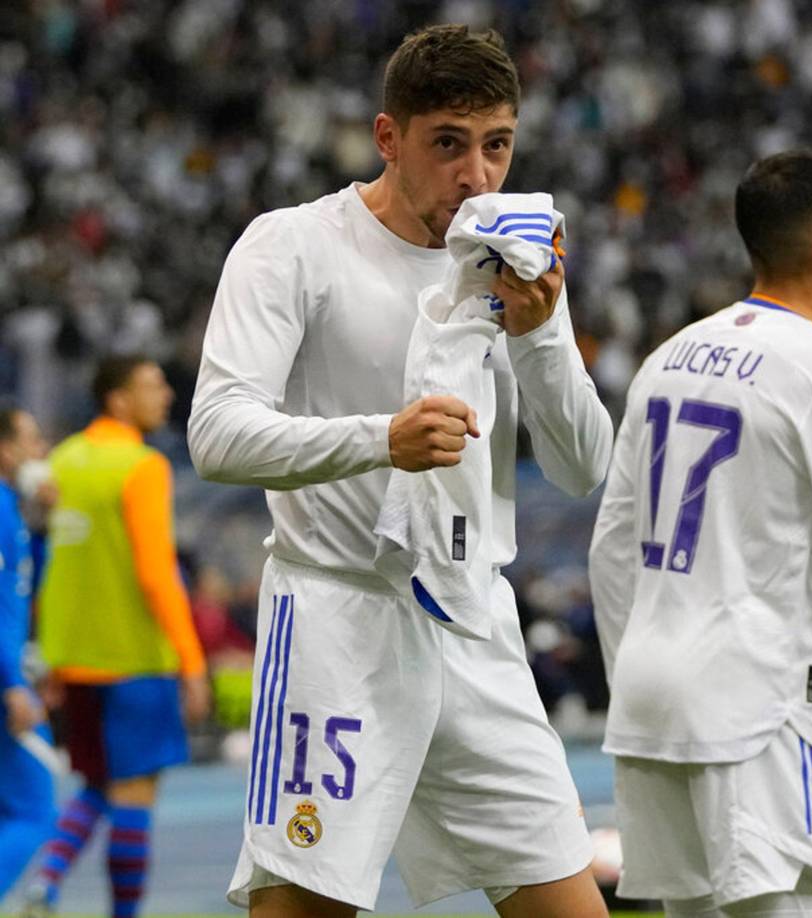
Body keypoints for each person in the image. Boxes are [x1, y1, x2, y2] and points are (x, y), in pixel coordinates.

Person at [188, 23, 613, 918]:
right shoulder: (294, 245)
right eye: (448, 145)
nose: (477, 176)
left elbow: (583, 468)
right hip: (338, 626)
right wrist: (382, 437)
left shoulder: (514, 265)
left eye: (497, 145)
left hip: (475, 625)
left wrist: (541, 334)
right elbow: (217, 435)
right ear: (389, 139)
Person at [589, 146, 812, 918]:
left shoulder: (667, 358)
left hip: (650, 698)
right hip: (758, 707)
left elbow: (611, 551)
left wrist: (638, 667)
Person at [24, 355, 210, 918]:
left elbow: (53, 568)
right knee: (134, 795)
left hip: (76, 661)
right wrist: (191, 659)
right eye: (152, 386)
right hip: (134, 658)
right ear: (118, 399)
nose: (166, 397)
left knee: (99, 784)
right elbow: (158, 573)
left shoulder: (63, 461)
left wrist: (52, 656)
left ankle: (47, 882)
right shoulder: (142, 466)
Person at [0, 406, 56, 900]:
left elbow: (22, 587)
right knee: (36, 810)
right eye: (32, 441)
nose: (41, 453)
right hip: (4, 685)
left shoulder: (11, 510)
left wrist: (42, 529)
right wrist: (13, 684)